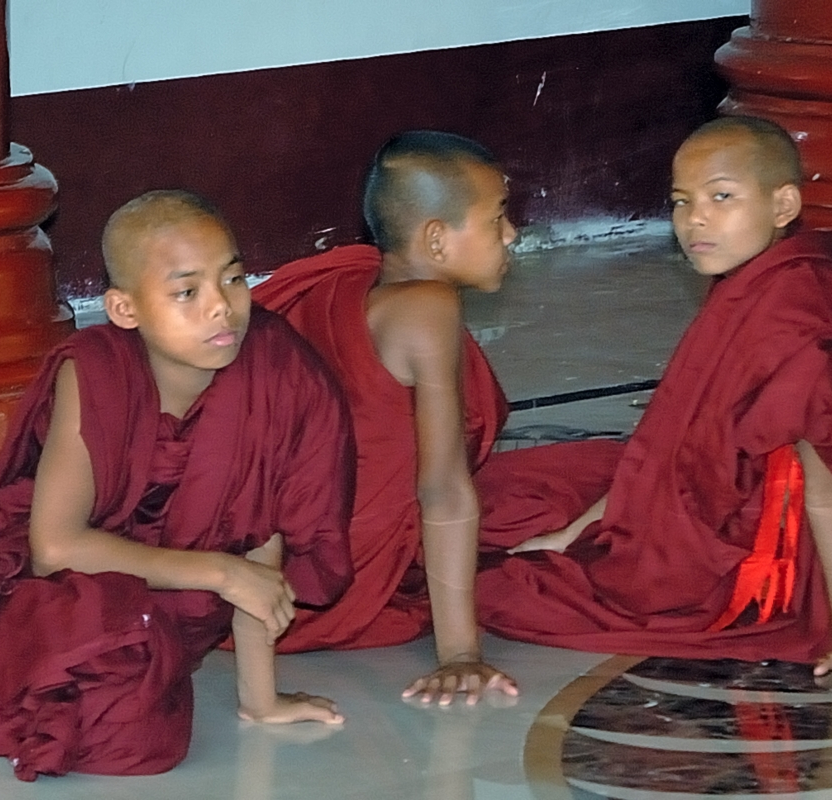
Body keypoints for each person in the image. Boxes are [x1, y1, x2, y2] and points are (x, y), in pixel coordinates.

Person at [0, 190, 356, 780]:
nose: (221, 308)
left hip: (159, 609)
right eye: (187, 292)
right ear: (124, 309)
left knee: (145, 737)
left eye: (233, 280)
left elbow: (259, 539)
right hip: (40, 582)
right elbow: (54, 548)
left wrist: (259, 701)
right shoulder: (98, 371)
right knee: (95, 619)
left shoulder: (281, 373)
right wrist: (219, 571)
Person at [478, 116, 832, 685]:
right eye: (682, 201)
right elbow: (671, 440)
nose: (695, 219)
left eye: (722, 197)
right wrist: (573, 535)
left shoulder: (803, 314)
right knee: (532, 498)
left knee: (503, 591)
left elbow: (831, 486)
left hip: (764, 565)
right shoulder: (755, 281)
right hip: (729, 496)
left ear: (783, 205)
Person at [254, 131, 620, 705]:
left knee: (589, 473)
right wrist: (461, 654)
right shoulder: (429, 308)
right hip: (338, 580)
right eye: (498, 217)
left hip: (276, 559)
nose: (511, 234)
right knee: (618, 497)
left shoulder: (352, 279)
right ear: (435, 240)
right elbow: (443, 489)